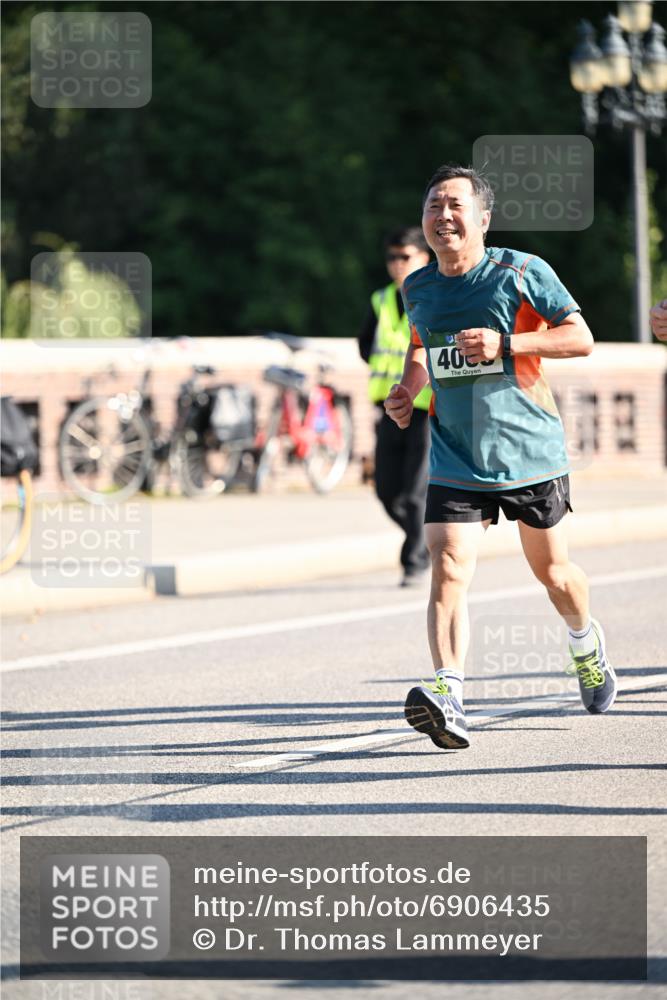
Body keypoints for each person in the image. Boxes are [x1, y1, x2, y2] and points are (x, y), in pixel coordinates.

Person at [384, 163, 617, 750]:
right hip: (455, 455)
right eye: (434, 206)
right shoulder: (417, 287)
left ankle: (585, 644)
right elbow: (421, 347)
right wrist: (409, 390)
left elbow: (580, 337)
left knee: (555, 576)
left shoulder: (521, 272)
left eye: (455, 205)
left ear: (483, 218)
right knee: (449, 566)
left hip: (530, 454)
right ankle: (451, 696)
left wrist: (506, 343)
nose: (443, 217)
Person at [358, 227, 433, 586]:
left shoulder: (437, 295)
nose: (397, 264)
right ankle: (433, 537)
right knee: (387, 490)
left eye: (405, 256)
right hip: (391, 406)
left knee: (416, 491)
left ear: (424, 257)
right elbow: (365, 346)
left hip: (429, 409)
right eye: (392, 257)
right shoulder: (381, 299)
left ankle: (415, 561)